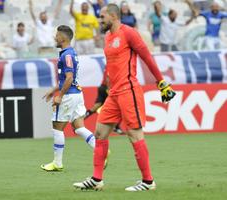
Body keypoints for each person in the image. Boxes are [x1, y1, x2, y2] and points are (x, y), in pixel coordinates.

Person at [73, 4, 176, 191]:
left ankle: (148, 181)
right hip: (113, 93)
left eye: (102, 17)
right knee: (100, 133)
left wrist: (161, 83)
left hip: (129, 90)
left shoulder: (129, 33)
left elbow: (147, 57)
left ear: (113, 16)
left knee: (134, 134)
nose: (100, 20)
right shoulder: (108, 36)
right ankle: (97, 179)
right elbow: (112, 65)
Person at [41, 25, 109, 171]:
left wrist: (59, 96)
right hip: (77, 95)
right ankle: (101, 150)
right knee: (79, 127)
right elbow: (66, 78)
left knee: (57, 128)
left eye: (57, 35)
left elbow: (69, 78)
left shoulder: (66, 55)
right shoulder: (69, 53)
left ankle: (57, 163)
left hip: (69, 96)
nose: (55, 37)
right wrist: (53, 90)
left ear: (63, 38)